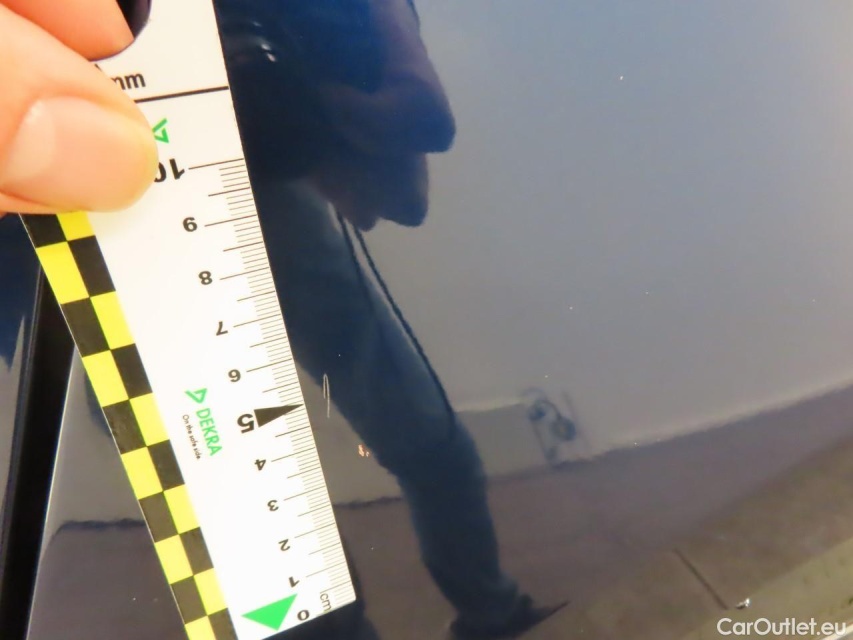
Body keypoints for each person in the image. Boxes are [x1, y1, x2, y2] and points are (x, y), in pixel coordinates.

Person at [0, 1, 563, 637]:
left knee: (380, 458)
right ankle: (467, 611)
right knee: (242, 500)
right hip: (63, 237)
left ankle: (488, 611)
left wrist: (302, 100)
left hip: (243, 194)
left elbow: (422, 118)